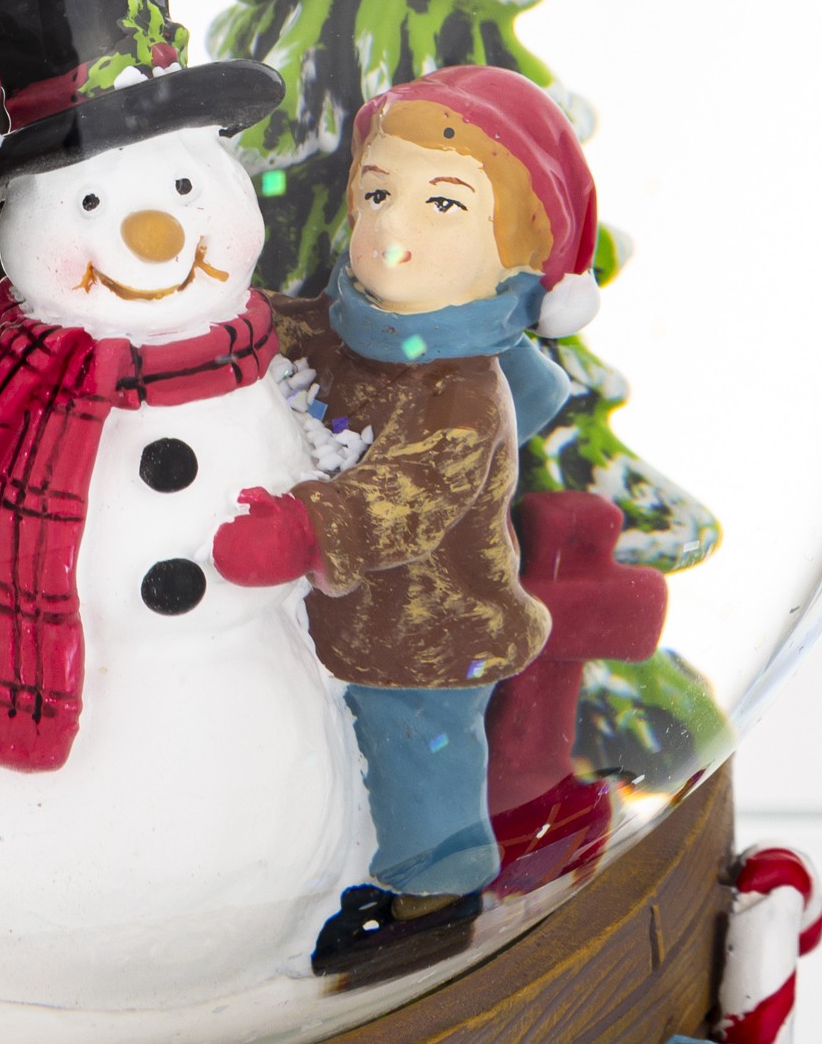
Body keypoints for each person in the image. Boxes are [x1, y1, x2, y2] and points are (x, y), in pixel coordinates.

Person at [211, 64, 599, 967]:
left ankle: (436, 894)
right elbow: (290, 331)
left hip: (426, 632)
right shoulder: (352, 327)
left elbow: (408, 498)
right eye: (378, 193)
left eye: (444, 205)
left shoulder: (461, 392)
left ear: (517, 252)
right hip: (335, 620)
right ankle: (330, 866)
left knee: (416, 752)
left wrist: (307, 529)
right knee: (335, 754)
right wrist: (228, 317)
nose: (392, 228)